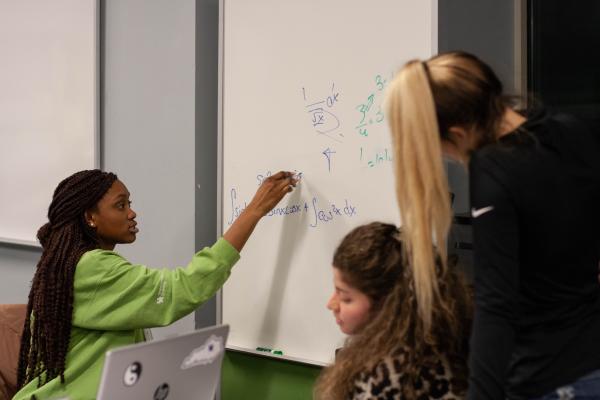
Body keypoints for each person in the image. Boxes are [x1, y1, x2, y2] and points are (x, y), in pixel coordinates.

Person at [386, 51, 600, 399]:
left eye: (443, 150)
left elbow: (496, 304)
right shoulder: (571, 130)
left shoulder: (493, 171)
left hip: (550, 377)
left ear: (457, 134)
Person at [13, 169, 297, 400]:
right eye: (120, 205)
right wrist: (254, 211)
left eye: (130, 203)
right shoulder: (93, 268)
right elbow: (181, 290)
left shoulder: (73, 263)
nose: (132, 213)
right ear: (90, 218)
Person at [314, 222, 472, 399]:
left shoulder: (386, 376)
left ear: (390, 304)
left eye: (346, 298)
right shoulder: (441, 351)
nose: (331, 304)